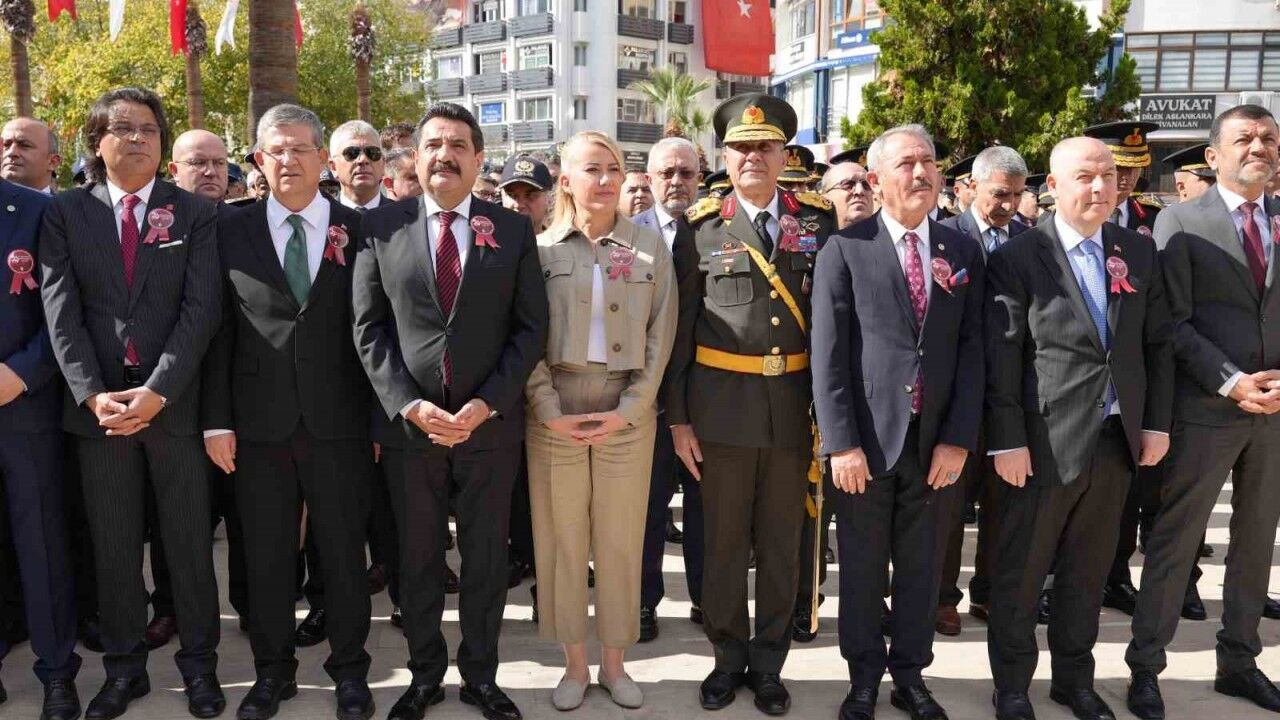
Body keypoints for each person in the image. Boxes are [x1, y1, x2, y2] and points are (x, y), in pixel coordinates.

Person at [353, 102, 547, 720]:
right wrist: (408, 405)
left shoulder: (511, 229)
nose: (445, 154)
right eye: (433, 144)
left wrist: (487, 404)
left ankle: (481, 677)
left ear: (478, 158)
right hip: (412, 434)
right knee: (418, 561)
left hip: (488, 431)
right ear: (415, 158)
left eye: (459, 144)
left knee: (487, 562)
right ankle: (424, 676)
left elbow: (530, 329)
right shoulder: (380, 227)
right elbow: (368, 329)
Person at [39, 86, 225, 719]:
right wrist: (93, 396)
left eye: (149, 128)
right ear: (97, 142)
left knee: (188, 548)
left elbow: (201, 309)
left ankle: (200, 668)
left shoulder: (193, 213)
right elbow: (60, 312)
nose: (139, 138)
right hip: (100, 417)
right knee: (115, 550)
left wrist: (158, 391)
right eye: (124, 128)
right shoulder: (66, 213)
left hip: (174, 409)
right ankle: (124, 671)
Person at [984, 135, 1173, 720]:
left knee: (1088, 573)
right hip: (1042, 443)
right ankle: (1013, 685)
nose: (1099, 187)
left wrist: (1155, 424)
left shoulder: (1136, 251)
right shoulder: (1019, 256)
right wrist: (1008, 440)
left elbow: (1156, 345)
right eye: (1085, 177)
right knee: (1021, 574)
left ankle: (1073, 680)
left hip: (1115, 441)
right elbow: (1003, 356)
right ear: (1053, 185)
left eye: (1108, 176)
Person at [197, 104, 376, 720]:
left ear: (324, 159)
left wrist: (379, 421)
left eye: (302, 148)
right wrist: (217, 421)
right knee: (266, 558)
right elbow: (216, 331)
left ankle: (350, 671)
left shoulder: (361, 230)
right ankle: (273, 673)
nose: (289, 160)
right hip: (257, 427)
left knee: (343, 557)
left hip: (341, 425)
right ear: (258, 160)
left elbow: (375, 333)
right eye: (277, 150)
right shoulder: (228, 229)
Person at [811, 124, 984, 720]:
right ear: (876, 179)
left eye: (928, 161)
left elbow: (973, 350)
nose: (920, 172)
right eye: (906, 163)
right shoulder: (846, 248)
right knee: (861, 568)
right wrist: (841, 444)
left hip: (934, 444)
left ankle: (910, 676)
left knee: (922, 569)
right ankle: (863, 678)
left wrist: (958, 439)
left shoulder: (961, 249)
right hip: (866, 442)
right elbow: (829, 357)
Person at [672, 93, 836, 716]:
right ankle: (726, 659)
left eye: (764, 147)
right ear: (725, 157)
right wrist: (679, 419)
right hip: (720, 414)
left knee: (780, 546)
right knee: (722, 544)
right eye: (740, 148)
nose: (752, 158)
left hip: (792, 413)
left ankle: (769, 665)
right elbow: (679, 334)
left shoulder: (817, 224)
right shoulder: (700, 229)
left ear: (784, 154)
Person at [1125, 104, 1280, 719]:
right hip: (1206, 410)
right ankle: (1145, 667)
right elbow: (1171, 322)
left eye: (1268, 138)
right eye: (1245, 138)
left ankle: (1238, 661)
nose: (1259, 147)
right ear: (1213, 155)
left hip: (1273, 412)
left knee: (1256, 540)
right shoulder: (1181, 221)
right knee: (1176, 540)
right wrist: (1232, 382)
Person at [524, 130, 676, 711]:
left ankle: (614, 664)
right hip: (555, 409)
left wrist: (631, 410)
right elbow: (524, 337)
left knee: (619, 542)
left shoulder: (648, 247)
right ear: (566, 181)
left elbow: (661, 336)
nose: (607, 179)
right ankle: (574, 665)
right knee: (562, 541)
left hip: (626, 411)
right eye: (593, 169)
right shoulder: (540, 251)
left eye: (614, 168)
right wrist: (546, 408)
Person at [158, 128, 249, 648]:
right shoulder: (157, 225)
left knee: (245, 512)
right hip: (174, 396)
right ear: (175, 170)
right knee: (176, 518)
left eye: (220, 163)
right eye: (198, 163)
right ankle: (171, 608)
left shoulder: (246, 224)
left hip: (242, 396)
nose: (212, 172)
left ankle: (252, 604)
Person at [933, 145, 1030, 635]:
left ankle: (989, 591)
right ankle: (941, 596)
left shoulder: (1031, 241)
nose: (1008, 205)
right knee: (948, 502)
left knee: (1005, 500)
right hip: (955, 391)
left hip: (1010, 393)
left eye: (1016, 195)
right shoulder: (944, 237)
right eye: (999, 194)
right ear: (970, 186)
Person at [0, 176, 82, 720]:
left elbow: (64, 310)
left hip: (24, 407)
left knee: (42, 546)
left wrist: (22, 373)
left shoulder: (35, 211)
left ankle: (56, 672)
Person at [630, 136, 705, 642]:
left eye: (686, 173)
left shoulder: (716, 231)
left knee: (705, 507)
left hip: (705, 394)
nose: (676, 182)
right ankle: (642, 601)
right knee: (646, 507)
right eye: (666, 173)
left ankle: (706, 597)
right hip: (645, 395)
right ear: (649, 178)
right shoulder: (625, 234)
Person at [329, 120, 386, 212]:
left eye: (372, 152)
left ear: (383, 164)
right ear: (334, 167)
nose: (363, 159)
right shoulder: (321, 217)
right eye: (352, 153)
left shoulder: (406, 218)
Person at [1, 117, 62, 194]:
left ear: (52, 162)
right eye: (6, 145)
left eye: (25, 145)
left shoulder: (63, 202)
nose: (11, 152)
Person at [820, 147, 875, 230]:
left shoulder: (891, 235)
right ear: (825, 197)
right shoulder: (813, 236)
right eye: (848, 184)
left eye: (866, 185)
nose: (860, 191)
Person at [498, 155, 552, 232]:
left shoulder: (563, 239)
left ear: (549, 199)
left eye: (530, 195)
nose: (519, 205)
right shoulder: (487, 239)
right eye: (512, 195)